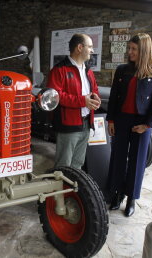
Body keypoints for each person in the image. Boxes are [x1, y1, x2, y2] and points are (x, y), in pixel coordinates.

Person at [106, 33, 152, 217]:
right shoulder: (122, 69)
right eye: (129, 48)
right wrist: (111, 120)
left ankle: (132, 197)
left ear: (144, 50)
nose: (129, 52)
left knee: (137, 161)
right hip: (121, 119)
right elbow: (114, 96)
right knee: (118, 158)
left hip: (141, 123)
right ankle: (117, 194)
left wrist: (147, 125)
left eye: (134, 49)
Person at [47, 33, 101, 169]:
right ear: (79, 47)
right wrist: (83, 101)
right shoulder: (58, 70)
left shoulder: (88, 71)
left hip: (86, 124)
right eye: (90, 47)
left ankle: (72, 191)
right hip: (68, 127)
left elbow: (94, 90)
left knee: (77, 165)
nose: (92, 50)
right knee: (63, 167)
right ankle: (61, 190)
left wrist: (96, 99)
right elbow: (55, 96)